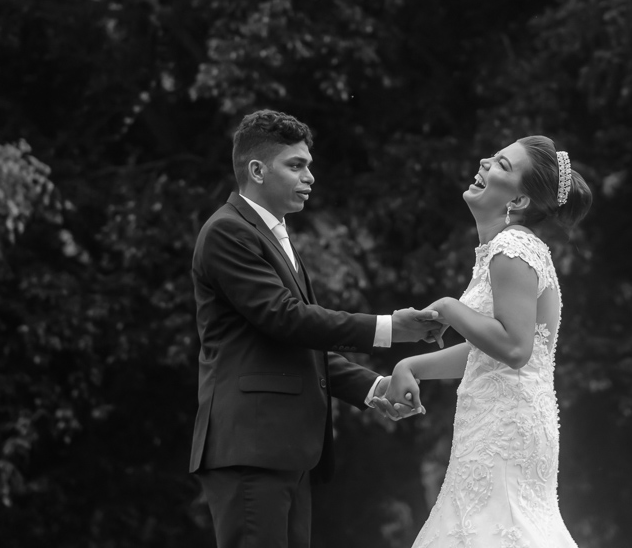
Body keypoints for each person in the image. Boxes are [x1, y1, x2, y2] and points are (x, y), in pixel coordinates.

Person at [190, 109, 443, 548]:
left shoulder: (275, 236)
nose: (310, 176)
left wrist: (374, 387)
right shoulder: (227, 232)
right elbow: (286, 318)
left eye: (309, 165)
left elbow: (293, 345)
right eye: (296, 165)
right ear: (257, 170)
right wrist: (388, 328)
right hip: (252, 445)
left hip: (284, 449)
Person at [377, 136, 593, 547]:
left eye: (502, 165)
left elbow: (514, 348)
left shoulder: (511, 248)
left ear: (520, 201)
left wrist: (448, 307)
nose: (484, 162)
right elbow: (489, 354)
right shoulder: (504, 250)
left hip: (506, 429)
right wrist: (411, 366)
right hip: (505, 419)